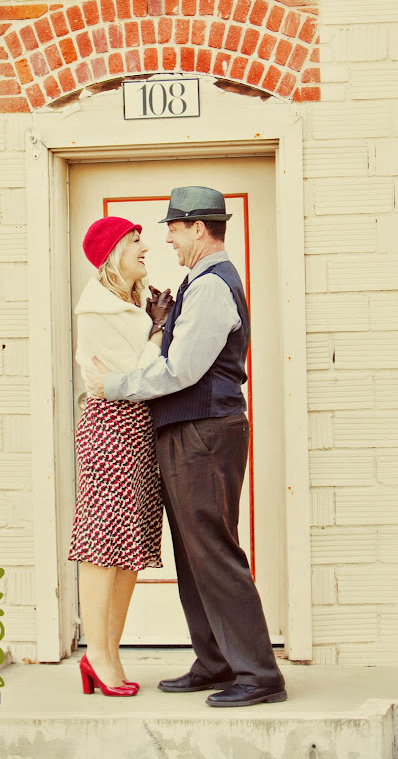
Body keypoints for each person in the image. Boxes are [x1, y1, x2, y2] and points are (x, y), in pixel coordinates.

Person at [86, 186, 287, 708]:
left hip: (205, 432)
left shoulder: (212, 287)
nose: (168, 237)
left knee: (214, 552)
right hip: (188, 433)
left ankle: (259, 675)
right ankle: (216, 660)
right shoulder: (196, 283)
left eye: (174, 227)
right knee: (194, 553)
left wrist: (114, 387)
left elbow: (181, 370)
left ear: (199, 228)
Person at [68, 215, 173, 698]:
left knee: (128, 546)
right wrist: (155, 336)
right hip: (111, 429)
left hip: (140, 431)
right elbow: (132, 378)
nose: (145, 247)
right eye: (135, 241)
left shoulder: (136, 298)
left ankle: (110, 651)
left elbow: (140, 378)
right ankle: (96, 655)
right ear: (114, 253)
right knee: (102, 543)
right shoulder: (96, 310)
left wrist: (155, 327)